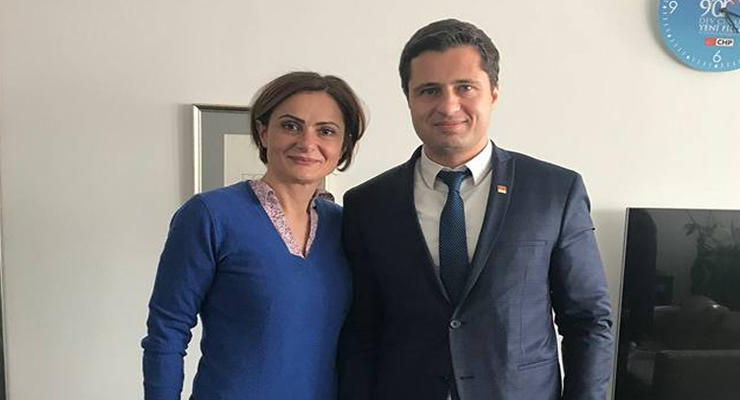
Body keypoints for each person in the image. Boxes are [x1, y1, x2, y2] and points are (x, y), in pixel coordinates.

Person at [338, 19, 614, 400]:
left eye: (465, 87)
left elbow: (589, 321)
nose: (448, 106)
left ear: (493, 93)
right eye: (429, 90)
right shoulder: (368, 204)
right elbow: (362, 331)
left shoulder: (554, 192)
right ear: (409, 100)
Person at [142, 71, 366, 400]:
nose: (307, 143)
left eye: (326, 131)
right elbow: (167, 331)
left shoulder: (345, 226)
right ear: (263, 132)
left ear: (343, 145)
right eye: (290, 126)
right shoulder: (209, 216)